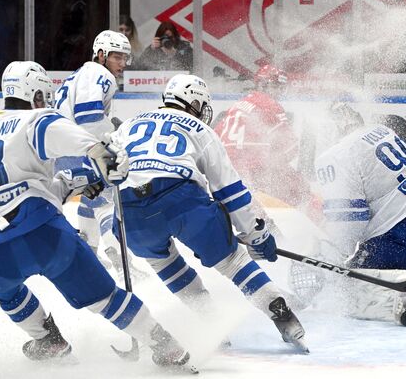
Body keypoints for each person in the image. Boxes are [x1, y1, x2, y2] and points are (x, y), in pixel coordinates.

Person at [0, 60, 192, 368]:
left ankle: (48, 340)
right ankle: (163, 344)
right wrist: (102, 155)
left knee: (4, 290)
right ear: (36, 95)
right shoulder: (36, 118)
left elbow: (12, 190)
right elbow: (64, 135)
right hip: (42, 232)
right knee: (104, 298)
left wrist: (74, 182)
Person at [110, 73, 309, 353]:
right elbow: (230, 190)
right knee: (233, 262)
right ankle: (280, 310)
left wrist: (115, 223)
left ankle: (213, 324)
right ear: (194, 103)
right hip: (181, 198)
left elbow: (104, 176)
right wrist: (255, 233)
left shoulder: (129, 124)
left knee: (166, 266)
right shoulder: (199, 128)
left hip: (129, 210)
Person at [309, 101, 406, 326]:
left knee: (346, 285)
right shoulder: (381, 131)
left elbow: (349, 222)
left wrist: (336, 259)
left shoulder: (335, 155)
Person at [54, 29, 145, 279]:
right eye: (117, 57)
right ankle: (116, 254)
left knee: (91, 199)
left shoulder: (80, 74)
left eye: (126, 58)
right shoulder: (99, 74)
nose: (123, 63)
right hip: (80, 147)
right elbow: (89, 118)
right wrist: (114, 134)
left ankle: (89, 254)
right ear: (101, 54)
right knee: (107, 199)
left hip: (63, 150)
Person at [213, 64, 321, 227]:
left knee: (255, 205)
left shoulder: (238, 104)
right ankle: (317, 236)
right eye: (276, 86)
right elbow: (290, 147)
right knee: (302, 189)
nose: (279, 92)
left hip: (228, 172)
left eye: (280, 87)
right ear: (263, 84)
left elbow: (216, 137)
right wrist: (275, 166)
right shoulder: (270, 105)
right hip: (254, 170)